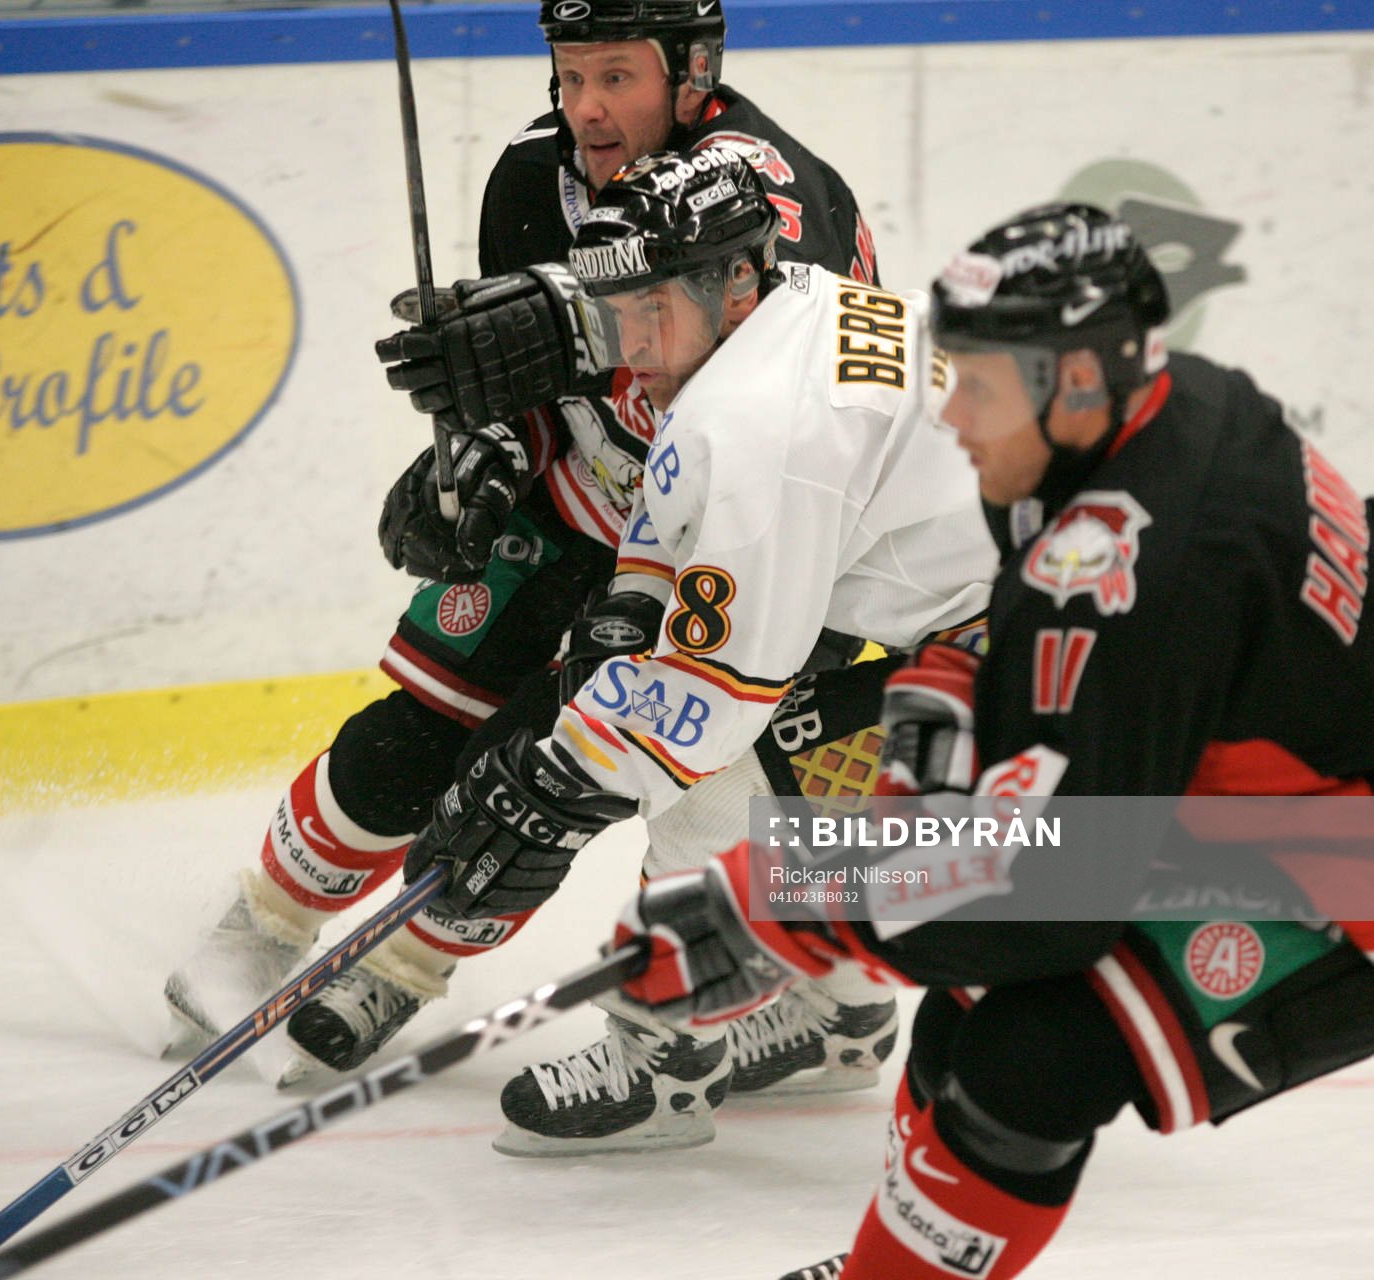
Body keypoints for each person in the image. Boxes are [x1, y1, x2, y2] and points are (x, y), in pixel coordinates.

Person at [577, 202, 1374, 1276]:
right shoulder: (1146, 418)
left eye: (981, 384)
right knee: (960, 1005)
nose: (951, 415)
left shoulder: (1143, 566)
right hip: (1244, 777)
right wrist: (940, 706)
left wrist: (782, 902)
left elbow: (1052, 901)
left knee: (1035, 1054)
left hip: (1336, 864)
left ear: (1076, 379)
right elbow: (1028, 655)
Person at [164, 0, 890, 1106]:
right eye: (569, 76)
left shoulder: (760, 182)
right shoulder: (528, 177)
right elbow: (546, 382)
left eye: (616, 77)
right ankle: (253, 930)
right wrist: (489, 450)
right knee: (423, 726)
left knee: (586, 766)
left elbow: (764, 348)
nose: (586, 108)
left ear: (691, 74)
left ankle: (424, 974)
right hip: (594, 489)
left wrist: (560, 317)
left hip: (742, 532)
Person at [389, 147, 997, 1154]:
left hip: (1071, 683)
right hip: (1007, 628)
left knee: (721, 777)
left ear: (736, 280)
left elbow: (714, 695)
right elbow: (681, 545)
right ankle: (835, 1015)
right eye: (616, 309)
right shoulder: (791, 306)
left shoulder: (758, 424)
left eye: (652, 307)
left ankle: (660, 1060)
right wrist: (623, 619)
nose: (630, 344)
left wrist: (551, 781)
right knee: (772, 765)